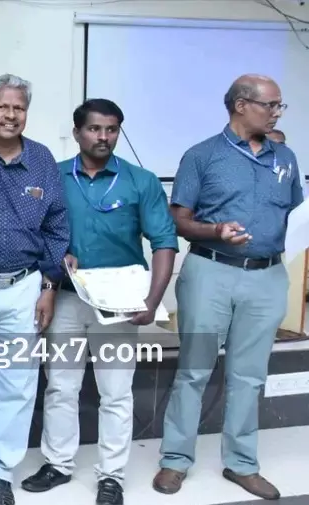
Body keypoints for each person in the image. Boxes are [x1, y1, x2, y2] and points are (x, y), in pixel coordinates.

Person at [20, 99, 177, 505]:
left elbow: (164, 241)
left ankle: (112, 476)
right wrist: (56, 260)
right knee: (61, 387)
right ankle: (58, 464)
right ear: (77, 133)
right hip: (66, 299)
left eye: (111, 129)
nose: (103, 137)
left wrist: (152, 299)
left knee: (116, 392)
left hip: (119, 305)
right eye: (94, 129)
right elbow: (36, 233)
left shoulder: (141, 181)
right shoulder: (53, 177)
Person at [154, 74, 297, 501]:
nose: (277, 113)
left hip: (268, 277)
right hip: (210, 272)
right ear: (240, 105)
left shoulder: (285, 157)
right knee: (194, 370)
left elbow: (294, 213)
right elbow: (178, 221)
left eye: (279, 105)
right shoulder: (202, 156)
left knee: (249, 376)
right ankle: (175, 460)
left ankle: (242, 464)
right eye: (271, 105)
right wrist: (216, 230)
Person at [0, 74, 69, 505]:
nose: (10, 115)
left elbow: (57, 226)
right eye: (2, 107)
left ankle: (0, 473)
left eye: (18, 108)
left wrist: (49, 285)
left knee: (17, 384)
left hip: (24, 286)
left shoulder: (41, 159)